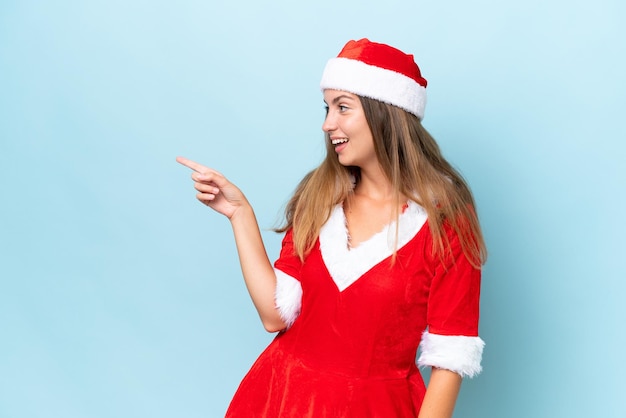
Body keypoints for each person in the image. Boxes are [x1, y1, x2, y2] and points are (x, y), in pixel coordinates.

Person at [177, 38, 486, 418]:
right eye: (327, 108)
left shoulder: (446, 219)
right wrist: (240, 215)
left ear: (385, 112)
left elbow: (450, 359)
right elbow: (275, 316)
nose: (328, 124)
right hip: (278, 397)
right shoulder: (320, 196)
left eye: (343, 107)